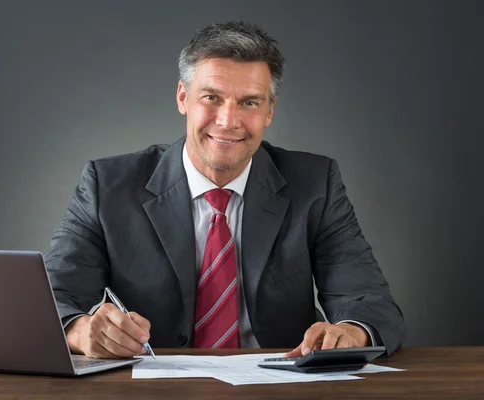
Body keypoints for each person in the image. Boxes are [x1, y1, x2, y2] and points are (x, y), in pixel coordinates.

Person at [44, 21, 406, 359]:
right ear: (183, 98)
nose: (228, 121)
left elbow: (370, 302)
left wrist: (350, 332)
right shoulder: (107, 185)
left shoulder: (315, 183)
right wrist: (81, 332)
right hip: (149, 386)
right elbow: (51, 299)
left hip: (279, 386)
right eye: (211, 98)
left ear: (269, 111)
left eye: (249, 102)